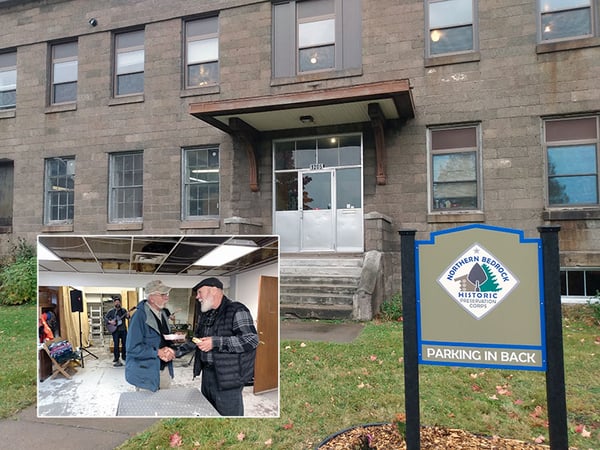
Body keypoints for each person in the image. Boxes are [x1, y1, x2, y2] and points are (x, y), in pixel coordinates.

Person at [177, 277, 258, 416]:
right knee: (208, 413)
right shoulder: (206, 314)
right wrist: (175, 351)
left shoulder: (237, 310)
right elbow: (197, 339)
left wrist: (215, 342)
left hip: (229, 378)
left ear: (213, 290)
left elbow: (251, 340)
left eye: (200, 292)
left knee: (229, 418)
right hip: (207, 374)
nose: (197, 297)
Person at [125, 280, 176, 391]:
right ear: (151, 298)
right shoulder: (139, 317)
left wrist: (173, 342)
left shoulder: (162, 313)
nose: (167, 298)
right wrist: (157, 352)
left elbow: (162, 338)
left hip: (164, 369)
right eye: (163, 295)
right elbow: (132, 348)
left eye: (166, 295)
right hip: (146, 375)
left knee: (164, 405)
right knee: (147, 407)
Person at [104, 295, 130, 367]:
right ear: (114, 303)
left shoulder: (123, 310)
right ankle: (116, 358)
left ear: (120, 303)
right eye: (116, 302)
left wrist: (128, 315)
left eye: (118, 302)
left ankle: (124, 356)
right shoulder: (111, 311)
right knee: (116, 345)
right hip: (115, 331)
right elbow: (105, 318)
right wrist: (110, 322)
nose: (117, 303)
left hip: (123, 330)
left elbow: (128, 318)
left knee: (125, 344)